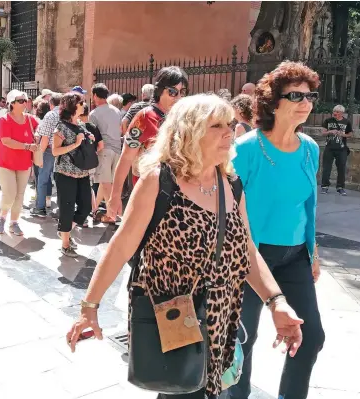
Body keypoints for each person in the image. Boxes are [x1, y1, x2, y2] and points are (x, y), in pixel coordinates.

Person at [67, 94, 305, 399]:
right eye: (216, 126)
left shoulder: (231, 183)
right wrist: (89, 307)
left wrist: (277, 302)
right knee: (181, 390)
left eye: (230, 124)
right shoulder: (159, 180)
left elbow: (245, 249)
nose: (229, 133)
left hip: (220, 314)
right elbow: (121, 246)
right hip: (174, 316)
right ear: (188, 131)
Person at [229, 61, 324, 399]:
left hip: (295, 255)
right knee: (241, 339)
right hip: (252, 256)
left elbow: (308, 206)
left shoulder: (310, 149)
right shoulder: (247, 149)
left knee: (311, 336)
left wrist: (313, 252)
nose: (306, 102)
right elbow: (227, 209)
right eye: (295, 95)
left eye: (310, 95)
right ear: (272, 101)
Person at [108, 66, 188, 219]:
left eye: (182, 92)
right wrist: (115, 196)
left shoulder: (182, 119)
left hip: (177, 195)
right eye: (172, 92)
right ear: (160, 91)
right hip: (147, 195)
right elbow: (126, 158)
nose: (177, 97)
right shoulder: (144, 117)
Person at [52, 92, 95, 257]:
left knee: (86, 207)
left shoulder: (80, 124)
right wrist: (76, 143)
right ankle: (65, 243)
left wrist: (88, 139)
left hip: (82, 173)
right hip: (65, 173)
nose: (84, 105)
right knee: (67, 208)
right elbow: (55, 151)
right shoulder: (61, 126)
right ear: (72, 106)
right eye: (81, 103)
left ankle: (65, 230)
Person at [0, 90, 39, 236]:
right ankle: (2, 217)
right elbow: (6, 141)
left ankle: (14, 222)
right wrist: (27, 146)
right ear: (12, 103)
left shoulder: (31, 119)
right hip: (5, 161)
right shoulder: (4, 119)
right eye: (21, 101)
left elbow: (41, 128)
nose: (25, 103)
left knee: (20, 194)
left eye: (26, 100)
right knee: (9, 193)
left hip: (24, 162)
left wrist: (38, 135)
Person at [90, 83, 123, 224]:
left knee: (106, 184)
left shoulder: (94, 114)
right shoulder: (117, 111)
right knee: (107, 184)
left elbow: (93, 136)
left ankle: (112, 215)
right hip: (117, 149)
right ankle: (95, 208)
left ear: (95, 96)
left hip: (104, 150)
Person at [31, 93, 62, 217]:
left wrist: (40, 154)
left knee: (43, 179)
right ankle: (62, 208)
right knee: (61, 181)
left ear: (51, 103)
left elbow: (45, 137)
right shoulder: (67, 114)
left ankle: (40, 208)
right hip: (64, 150)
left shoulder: (50, 115)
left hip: (49, 150)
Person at [320, 104, 352, 196]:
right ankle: (324, 186)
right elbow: (322, 133)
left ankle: (340, 187)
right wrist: (330, 131)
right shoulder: (328, 121)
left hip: (342, 149)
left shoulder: (347, 122)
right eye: (334, 111)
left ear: (342, 113)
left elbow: (350, 134)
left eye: (337, 112)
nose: (335, 113)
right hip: (329, 147)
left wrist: (343, 135)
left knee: (341, 168)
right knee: (326, 168)